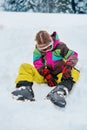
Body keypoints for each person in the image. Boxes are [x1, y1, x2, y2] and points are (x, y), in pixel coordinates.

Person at [12, 31, 80, 107]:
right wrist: (45, 73)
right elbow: (37, 63)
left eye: (49, 46)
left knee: (74, 72)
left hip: (61, 75)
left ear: (52, 41)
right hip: (46, 76)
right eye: (43, 49)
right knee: (25, 66)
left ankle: (59, 91)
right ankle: (24, 89)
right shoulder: (38, 52)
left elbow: (73, 55)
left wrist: (68, 66)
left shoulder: (60, 47)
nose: (47, 50)